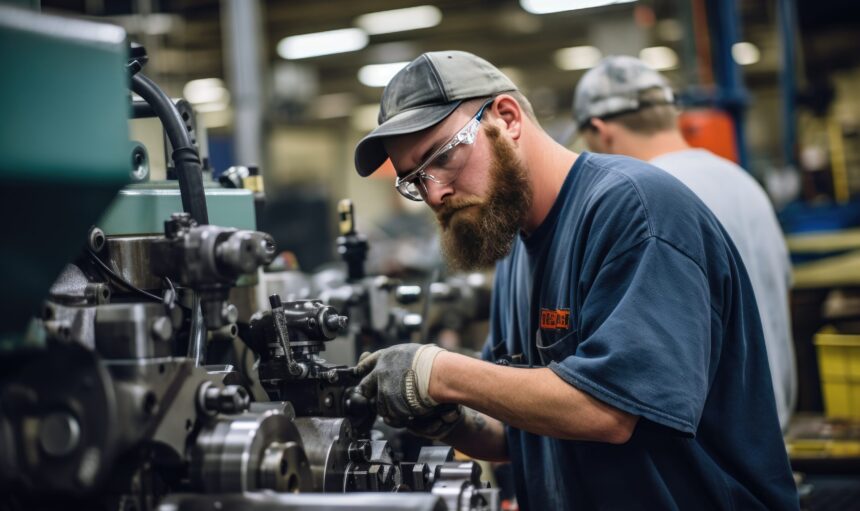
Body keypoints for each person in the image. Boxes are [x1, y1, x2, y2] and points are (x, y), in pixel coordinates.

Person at [351, 50, 798, 510]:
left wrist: (438, 372)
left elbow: (610, 411)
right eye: (415, 181)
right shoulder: (516, 254)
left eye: (441, 157)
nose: (435, 193)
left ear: (506, 118)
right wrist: (450, 420)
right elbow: (519, 430)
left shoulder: (636, 211)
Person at [573, 55, 797, 431]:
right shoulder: (742, 181)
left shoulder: (644, 201)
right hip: (771, 432)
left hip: (716, 450)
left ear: (600, 131)